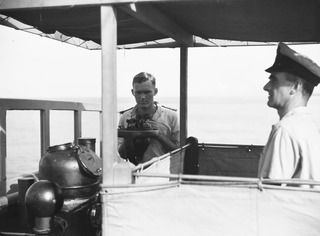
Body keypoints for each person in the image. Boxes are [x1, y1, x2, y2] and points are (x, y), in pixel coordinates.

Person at [258, 42, 320, 182]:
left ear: (295, 86)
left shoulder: (285, 130)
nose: (266, 87)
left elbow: (270, 194)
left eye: (273, 80)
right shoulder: (310, 128)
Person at [118, 72, 180, 165]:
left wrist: (158, 135)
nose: (143, 97)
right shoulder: (126, 117)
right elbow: (121, 155)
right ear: (132, 92)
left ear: (155, 91)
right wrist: (129, 136)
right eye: (138, 93)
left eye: (147, 92)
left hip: (162, 171)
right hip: (135, 170)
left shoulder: (170, 117)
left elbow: (180, 152)